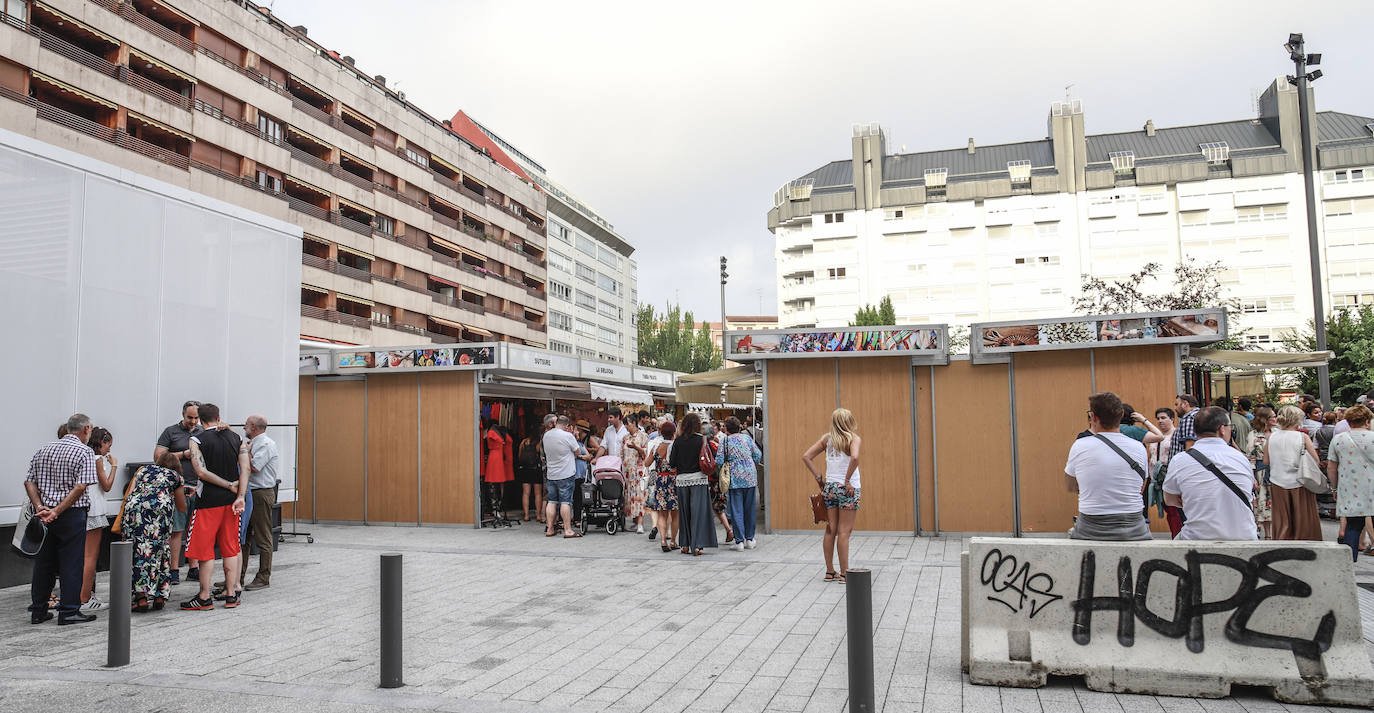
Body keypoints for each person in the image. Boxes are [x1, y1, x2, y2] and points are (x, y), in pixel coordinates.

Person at [26, 414, 100, 625]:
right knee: (71, 562)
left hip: (43, 514)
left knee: (44, 563)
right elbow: (80, 487)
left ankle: (38, 610)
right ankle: (68, 611)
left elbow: (29, 482)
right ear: (86, 429)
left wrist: (41, 507)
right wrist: (57, 511)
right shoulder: (84, 451)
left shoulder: (44, 449)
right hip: (70, 514)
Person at [180, 403, 249, 611]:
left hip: (208, 501)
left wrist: (226, 485)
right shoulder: (236, 438)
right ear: (219, 416)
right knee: (230, 547)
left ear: (200, 420)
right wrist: (240, 495)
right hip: (231, 502)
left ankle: (204, 595)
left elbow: (200, 472)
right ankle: (231, 594)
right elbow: (245, 468)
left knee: (205, 550)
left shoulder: (196, 439)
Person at [1063, 392, 1152, 541]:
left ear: (1093, 417)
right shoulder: (1139, 447)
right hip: (1134, 528)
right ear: (1122, 414)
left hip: (1090, 527)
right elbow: (1141, 487)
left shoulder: (1080, 445)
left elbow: (1070, 486)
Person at [1163, 407, 1258, 541]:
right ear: (1222, 429)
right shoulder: (1240, 458)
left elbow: (1169, 499)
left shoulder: (1180, 460)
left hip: (1197, 538)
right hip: (1244, 536)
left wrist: (1195, 499)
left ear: (1195, 431)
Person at [802, 408, 862, 582]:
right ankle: (844, 573)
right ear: (849, 421)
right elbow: (855, 458)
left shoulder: (827, 440)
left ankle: (830, 571)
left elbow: (806, 456)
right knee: (844, 532)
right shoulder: (853, 439)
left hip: (830, 488)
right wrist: (848, 480)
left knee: (830, 530)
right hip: (847, 489)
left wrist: (819, 478)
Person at [123, 452, 188, 611]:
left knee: (139, 553)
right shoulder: (176, 476)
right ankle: (160, 596)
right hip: (158, 516)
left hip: (134, 512)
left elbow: (130, 494)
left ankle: (141, 598)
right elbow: (182, 507)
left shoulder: (143, 470)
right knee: (161, 552)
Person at [154, 401, 202, 584]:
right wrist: (184, 454)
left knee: (195, 529)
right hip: (176, 488)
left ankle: (194, 567)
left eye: (196, 418)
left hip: (197, 487)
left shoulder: (202, 432)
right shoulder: (171, 432)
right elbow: (158, 457)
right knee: (177, 530)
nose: (193, 421)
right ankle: (174, 569)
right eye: (190, 417)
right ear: (183, 415)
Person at [1263, 405, 1323, 541]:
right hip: (1300, 481)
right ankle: (1304, 541)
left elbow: (1266, 461)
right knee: (1303, 516)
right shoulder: (1302, 437)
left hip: (1277, 480)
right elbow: (1316, 460)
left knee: (1282, 517)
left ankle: (1283, 540)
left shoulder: (1271, 437)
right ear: (1297, 420)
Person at [1327, 404, 1374, 561]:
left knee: (1352, 528)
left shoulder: (1339, 440)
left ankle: (1349, 565)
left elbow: (1332, 467)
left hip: (1350, 490)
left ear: (1348, 421)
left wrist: (1334, 488)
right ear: (1367, 421)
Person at [237, 415, 279, 591]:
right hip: (249, 493)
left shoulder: (266, 444)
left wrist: (244, 452)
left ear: (253, 427)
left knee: (263, 536)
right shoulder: (253, 443)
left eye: (246, 425)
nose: (244, 427)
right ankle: (237, 576)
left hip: (260, 493)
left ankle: (263, 576)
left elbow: (254, 467)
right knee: (243, 537)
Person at [79, 427, 116, 613]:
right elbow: (107, 486)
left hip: (83, 509)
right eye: (108, 445)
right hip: (95, 510)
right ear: (102, 442)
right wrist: (114, 466)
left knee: (81, 555)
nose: (109, 449)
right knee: (90, 557)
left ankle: (81, 595)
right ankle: (85, 598)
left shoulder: (84, 456)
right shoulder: (98, 460)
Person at [670, 413, 716, 556]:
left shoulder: (678, 441)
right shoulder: (702, 440)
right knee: (698, 513)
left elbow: (672, 463)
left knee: (684, 514)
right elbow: (710, 459)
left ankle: (685, 544)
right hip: (699, 479)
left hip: (682, 481)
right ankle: (697, 545)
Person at [717, 417, 763, 552]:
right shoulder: (747, 439)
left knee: (736, 510)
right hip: (750, 476)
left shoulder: (724, 441)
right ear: (739, 427)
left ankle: (739, 541)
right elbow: (757, 455)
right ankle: (750, 539)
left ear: (726, 428)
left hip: (734, 477)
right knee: (750, 509)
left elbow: (719, 460)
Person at [1164, 394, 1201, 537]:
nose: (1174, 408)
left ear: (1185, 404)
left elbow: (1189, 447)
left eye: (1176, 404)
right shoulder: (1200, 416)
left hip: (1184, 474)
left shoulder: (1188, 418)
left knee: (1185, 515)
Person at [542, 415, 583, 538]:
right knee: (565, 501)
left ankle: (550, 529)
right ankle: (568, 530)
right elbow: (578, 452)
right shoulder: (567, 436)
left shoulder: (546, 435)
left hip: (551, 474)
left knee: (552, 501)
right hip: (566, 473)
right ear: (566, 425)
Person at [649, 421, 678, 551]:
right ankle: (673, 541)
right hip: (674, 480)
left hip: (660, 480)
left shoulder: (656, 447)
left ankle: (662, 541)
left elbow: (646, 463)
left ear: (661, 433)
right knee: (675, 513)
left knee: (662, 512)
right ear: (673, 433)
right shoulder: (676, 446)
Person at [1249, 406, 1276, 539]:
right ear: (1265, 419)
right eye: (1273, 416)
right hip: (1261, 472)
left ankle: (1277, 532)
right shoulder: (1254, 435)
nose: (1275, 419)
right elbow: (1250, 456)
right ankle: (1267, 534)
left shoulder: (1278, 432)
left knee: (1276, 502)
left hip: (1277, 471)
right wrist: (1252, 477)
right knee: (1263, 501)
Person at [621, 415, 649, 534]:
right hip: (628, 472)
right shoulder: (625, 438)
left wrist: (636, 447)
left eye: (627, 424)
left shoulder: (643, 436)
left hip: (639, 471)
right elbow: (621, 454)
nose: (626, 427)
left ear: (633, 423)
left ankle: (640, 524)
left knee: (639, 496)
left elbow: (646, 453)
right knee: (630, 497)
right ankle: (635, 521)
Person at [481, 418, 510, 524]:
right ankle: (495, 508)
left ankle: (498, 507)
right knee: (493, 484)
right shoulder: (492, 433)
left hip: (498, 459)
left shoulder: (493, 432)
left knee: (497, 484)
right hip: (495, 459)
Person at [516, 421, 546, 522]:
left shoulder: (524, 442)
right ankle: (538, 515)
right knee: (538, 493)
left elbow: (519, 456)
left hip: (525, 469)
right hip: (536, 470)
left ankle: (526, 515)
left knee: (526, 493)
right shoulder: (538, 443)